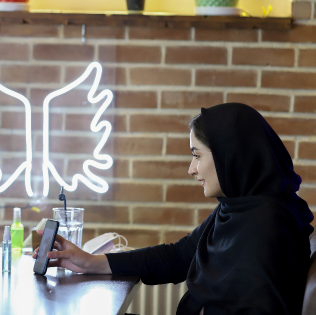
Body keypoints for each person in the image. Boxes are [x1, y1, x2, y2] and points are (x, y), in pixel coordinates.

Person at [34, 103, 314, 314]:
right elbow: (179, 256)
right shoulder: (239, 209)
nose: (191, 169)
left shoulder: (267, 226)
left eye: (196, 155)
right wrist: (90, 262)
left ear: (230, 155)